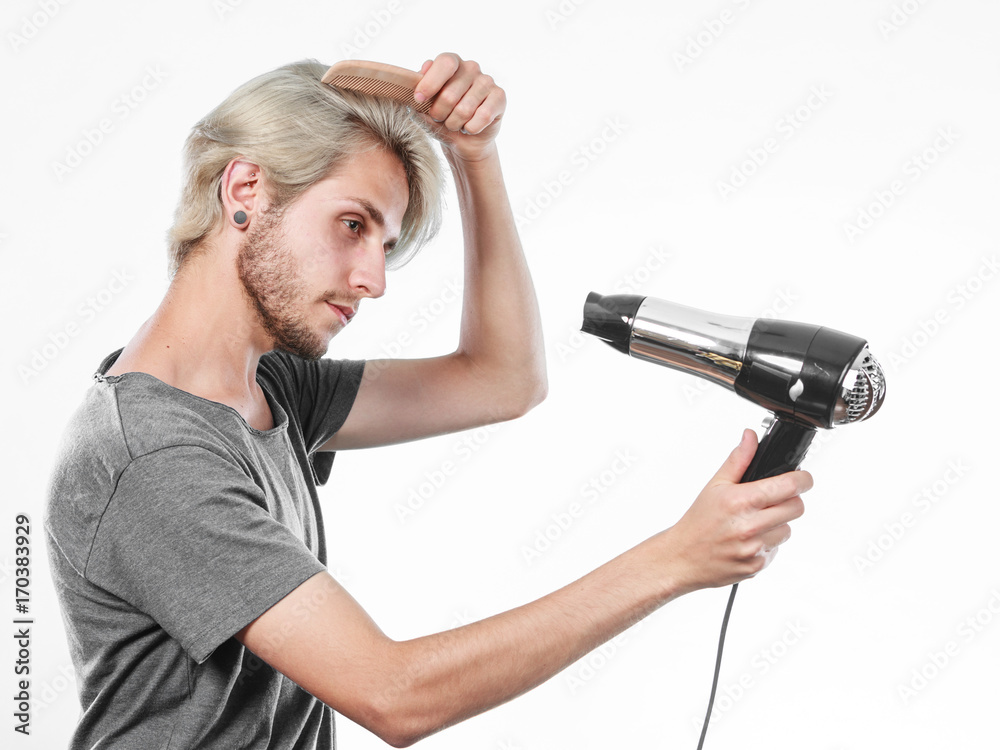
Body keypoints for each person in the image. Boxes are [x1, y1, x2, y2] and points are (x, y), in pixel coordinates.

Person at [43, 52, 811, 749]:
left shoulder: (271, 386)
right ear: (246, 189)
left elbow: (503, 378)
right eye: (353, 225)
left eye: (385, 243)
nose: (374, 279)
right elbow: (393, 695)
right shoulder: (153, 456)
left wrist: (474, 156)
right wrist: (675, 560)